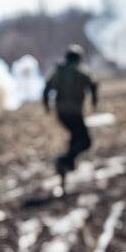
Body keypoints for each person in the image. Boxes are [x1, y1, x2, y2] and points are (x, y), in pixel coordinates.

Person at [42, 44, 98, 194]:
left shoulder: (58, 71)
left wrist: (47, 106)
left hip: (61, 113)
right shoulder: (79, 70)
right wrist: (94, 102)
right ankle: (64, 161)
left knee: (75, 138)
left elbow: (47, 88)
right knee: (85, 141)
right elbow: (93, 83)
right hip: (74, 112)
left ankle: (66, 171)